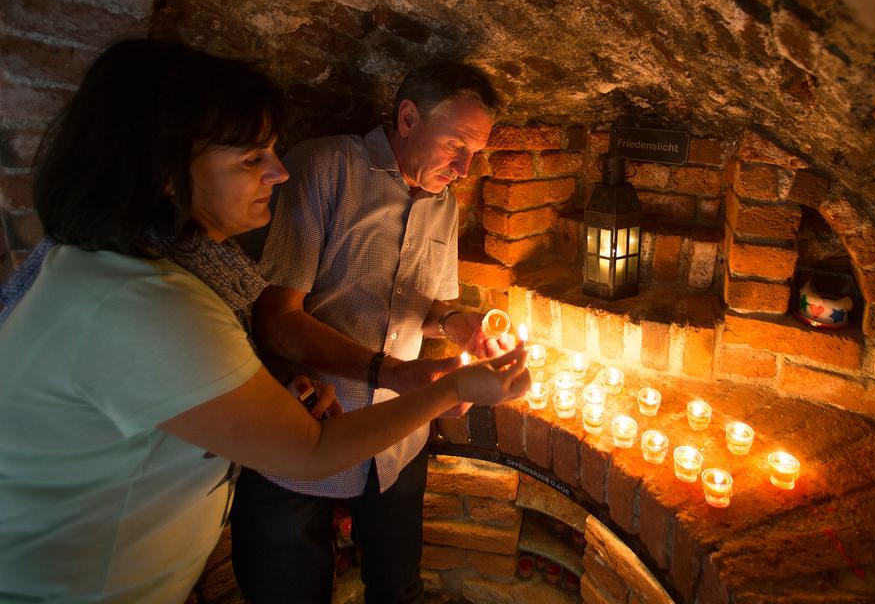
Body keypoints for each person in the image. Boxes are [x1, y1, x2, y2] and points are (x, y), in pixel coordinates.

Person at [0, 41, 529, 604]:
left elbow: (423, 307)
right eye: (253, 159)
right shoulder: (146, 303)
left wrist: (456, 323)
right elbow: (306, 437)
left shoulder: (149, 276)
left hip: (379, 443)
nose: (278, 172)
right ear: (164, 170)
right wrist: (441, 384)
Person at [230, 61, 503, 604]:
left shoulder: (443, 203)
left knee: (398, 588)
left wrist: (455, 323)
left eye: (476, 153)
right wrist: (394, 373)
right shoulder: (325, 167)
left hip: (396, 445)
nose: (466, 167)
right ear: (407, 118)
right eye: (456, 145)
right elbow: (276, 318)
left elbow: (427, 304)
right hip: (305, 431)